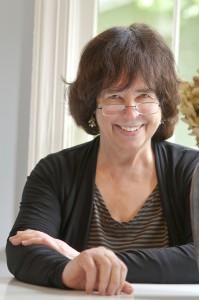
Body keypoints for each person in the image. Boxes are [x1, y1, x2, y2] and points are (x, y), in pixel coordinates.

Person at [6, 23, 199, 295]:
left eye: (144, 95)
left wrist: (82, 260)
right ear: (91, 105)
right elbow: (22, 249)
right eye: (114, 97)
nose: (131, 114)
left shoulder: (193, 170)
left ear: (162, 103)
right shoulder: (56, 171)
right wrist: (69, 270)